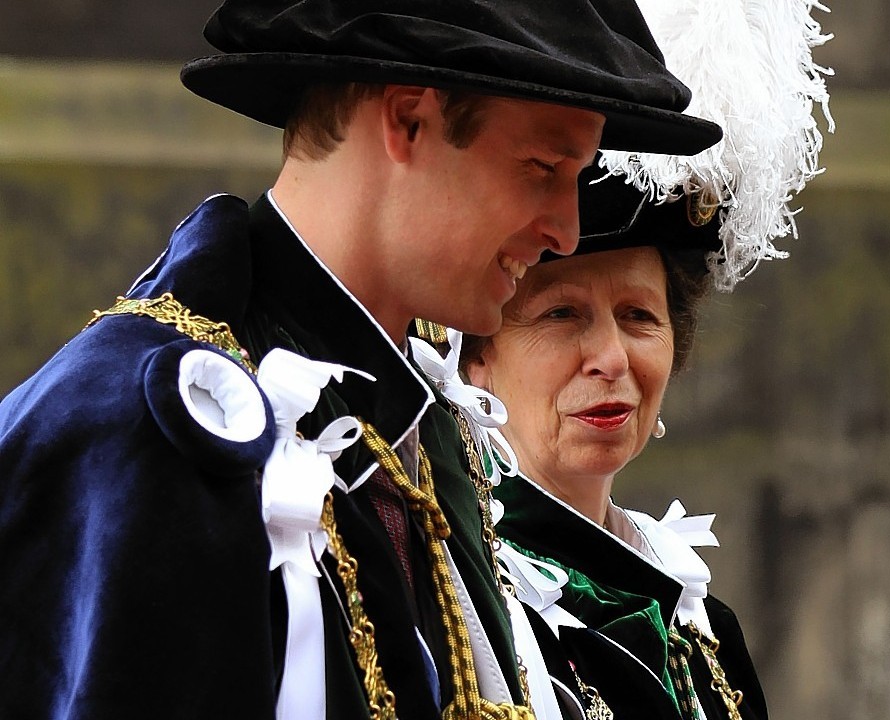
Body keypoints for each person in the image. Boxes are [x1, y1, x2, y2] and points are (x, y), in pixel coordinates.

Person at [0, 1, 723, 719]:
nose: (565, 231)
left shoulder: (429, 427)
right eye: (542, 167)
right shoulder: (141, 425)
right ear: (409, 120)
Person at [456, 1, 835, 718]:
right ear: (476, 352)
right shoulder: (451, 599)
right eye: (561, 314)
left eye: (638, 316)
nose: (610, 357)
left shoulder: (707, 633)